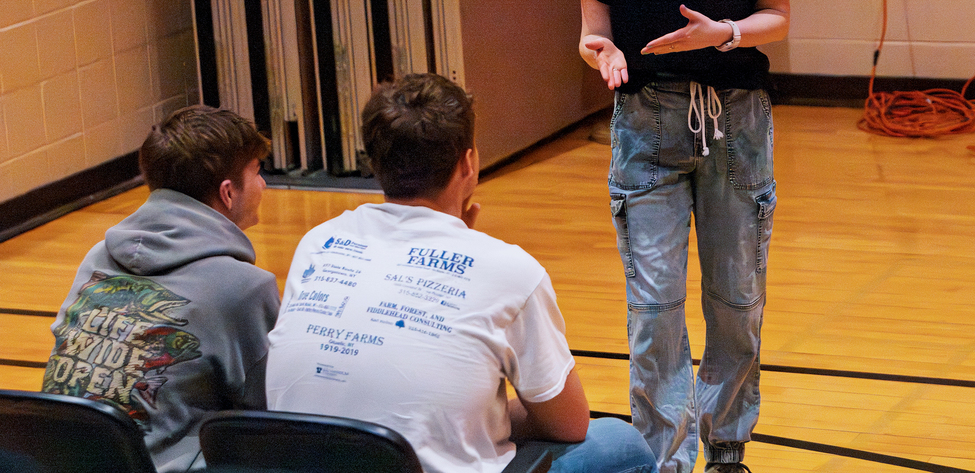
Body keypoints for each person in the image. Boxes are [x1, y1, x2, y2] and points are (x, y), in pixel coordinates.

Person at [568, 0, 801, 473]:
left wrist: (725, 32)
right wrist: (602, 51)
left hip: (735, 124)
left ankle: (726, 447)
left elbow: (777, 17)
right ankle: (663, 458)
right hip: (647, 126)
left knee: (736, 299)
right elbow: (592, 32)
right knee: (654, 306)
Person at [265, 73, 656, 473]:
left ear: (375, 163)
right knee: (620, 444)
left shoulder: (318, 242)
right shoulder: (510, 271)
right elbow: (569, 424)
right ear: (468, 163)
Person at [42, 106, 280, 473]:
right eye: (257, 172)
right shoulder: (245, 287)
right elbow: (271, 414)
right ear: (228, 192)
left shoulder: (97, 258)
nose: (263, 185)